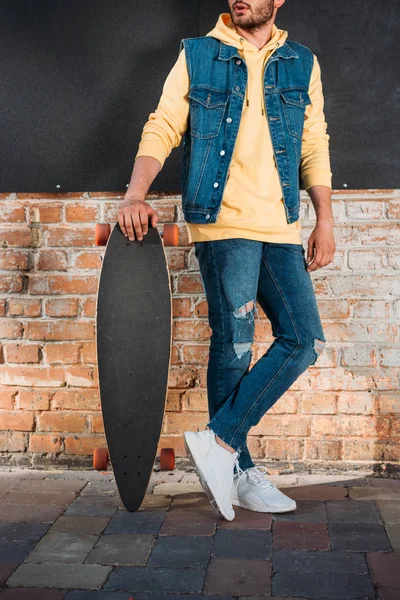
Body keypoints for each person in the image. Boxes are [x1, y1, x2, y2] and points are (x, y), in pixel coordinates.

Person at [118, 0, 335, 521]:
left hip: (281, 225)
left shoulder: (302, 61)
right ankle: (236, 469)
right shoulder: (198, 54)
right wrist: (134, 195)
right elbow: (164, 123)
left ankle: (220, 445)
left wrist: (324, 218)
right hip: (222, 221)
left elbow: (313, 140)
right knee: (235, 345)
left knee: (304, 340)